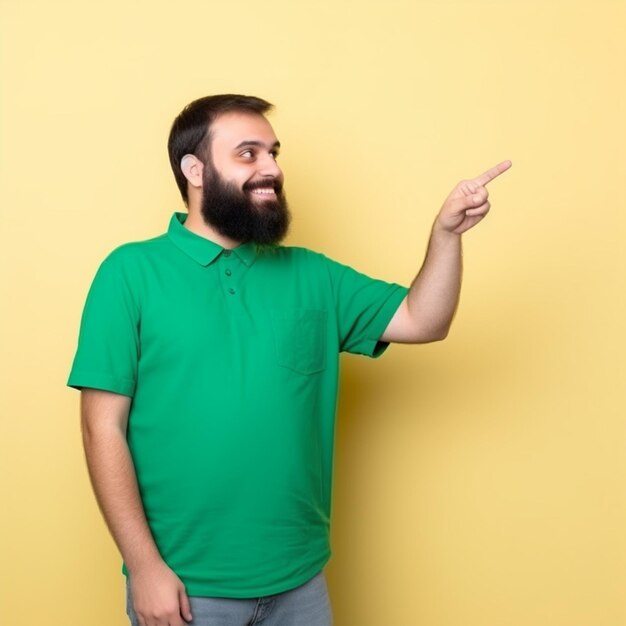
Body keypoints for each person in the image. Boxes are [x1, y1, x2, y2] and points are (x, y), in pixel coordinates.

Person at [68, 94, 511, 626]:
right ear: (195, 170)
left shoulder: (312, 274)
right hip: (185, 588)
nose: (272, 169)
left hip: (301, 585)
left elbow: (424, 319)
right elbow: (102, 429)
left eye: (274, 153)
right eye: (248, 154)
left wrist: (446, 235)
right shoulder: (129, 273)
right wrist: (144, 567)